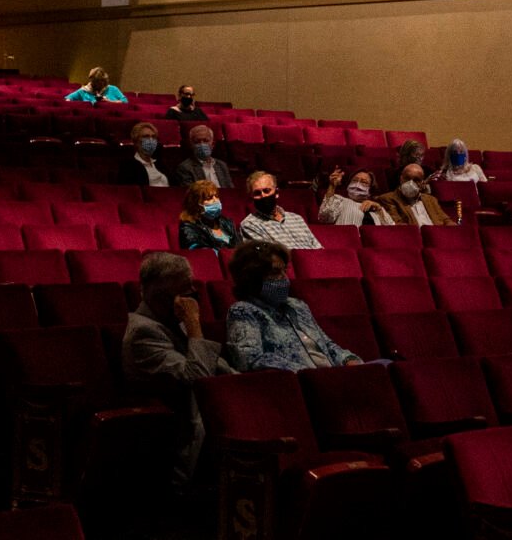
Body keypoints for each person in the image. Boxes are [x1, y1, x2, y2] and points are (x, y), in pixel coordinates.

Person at [122, 251, 232, 487]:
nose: (194, 297)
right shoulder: (144, 333)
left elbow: (217, 369)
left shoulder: (168, 321)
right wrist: (193, 325)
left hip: (212, 414)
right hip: (185, 433)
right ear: (163, 299)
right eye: (186, 292)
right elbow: (200, 379)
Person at [224, 241, 361, 371]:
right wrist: (304, 372)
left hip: (334, 375)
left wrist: (348, 360)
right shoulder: (244, 311)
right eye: (275, 273)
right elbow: (248, 358)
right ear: (252, 278)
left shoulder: (297, 306)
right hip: (299, 384)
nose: (285, 278)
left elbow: (326, 344)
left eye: (285, 271)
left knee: (381, 365)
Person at [238, 172, 321, 250]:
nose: (263, 195)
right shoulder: (249, 225)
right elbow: (267, 257)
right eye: (257, 193)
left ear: (276, 192)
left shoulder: (296, 218)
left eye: (267, 191)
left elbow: (318, 248)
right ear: (251, 197)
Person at [375, 163, 457, 227]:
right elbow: (398, 225)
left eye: (416, 180)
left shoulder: (431, 200)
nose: (411, 183)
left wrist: (452, 226)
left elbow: (445, 220)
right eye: (407, 178)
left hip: (438, 236)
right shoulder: (388, 199)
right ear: (401, 178)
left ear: (422, 182)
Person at [178, 181, 241, 251]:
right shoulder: (189, 227)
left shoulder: (227, 222)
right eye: (209, 198)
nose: (216, 200)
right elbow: (203, 254)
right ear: (196, 204)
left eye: (216, 196)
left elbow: (240, 247)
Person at [318, 168, 392, 226]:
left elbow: (391, 229)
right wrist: (332, 186)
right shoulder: (340, 200)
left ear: (370, 189)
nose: (357, 184)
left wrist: (378, 208)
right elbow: (324, 217)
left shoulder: (376, 208)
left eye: (364, 182)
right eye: (354, 180)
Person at [173, 125, 233, 189]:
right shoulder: (185, 168)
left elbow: (231, 190)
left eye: (206, 141)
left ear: (213, 144)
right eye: (197, 142)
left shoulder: (221, 165)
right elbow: (192, 193)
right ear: (191, 145)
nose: (202, 144)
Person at [116, 122, 170, 187]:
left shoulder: (160, 164)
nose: (151, 140)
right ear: (136, 141)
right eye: (146, 136)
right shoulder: (128, 166)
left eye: (153, 136)